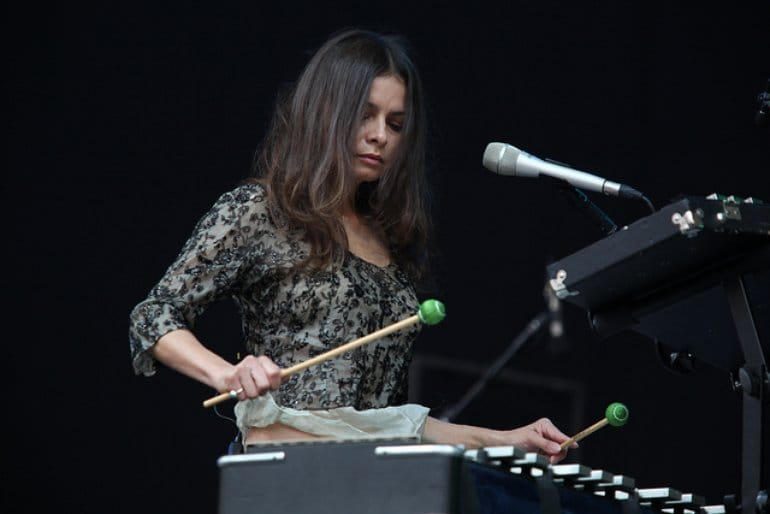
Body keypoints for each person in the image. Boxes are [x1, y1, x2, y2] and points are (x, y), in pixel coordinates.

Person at [129, 27, 573, 462]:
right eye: (365, 114)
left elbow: (384, 422)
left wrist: (503, 440)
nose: (380, 135)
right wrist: (228, 372)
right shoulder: (261, 210)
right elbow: (154, 316)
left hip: (377, 479)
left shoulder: (388, 237)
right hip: (290, 476)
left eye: (395, 124)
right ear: (326, 111)